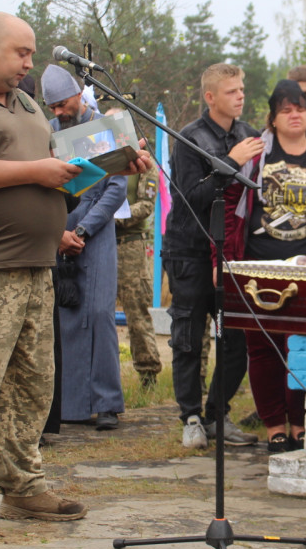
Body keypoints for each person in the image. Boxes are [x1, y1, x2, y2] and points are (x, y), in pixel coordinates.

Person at [0, 11, 147, 534]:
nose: (30, 65)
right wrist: (39, 171)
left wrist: (113, 161)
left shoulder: (22, 103)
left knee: (32, 384)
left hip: (35, 265)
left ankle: (22, 486)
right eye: (22, 53)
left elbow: (58, 173)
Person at [224, 80, 306, 452]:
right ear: (274, 117)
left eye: (300, 108)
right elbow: (232, 209)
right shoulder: (255, 154)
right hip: (261, 267)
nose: (294, 114)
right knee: (264, 348)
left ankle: (300, 422)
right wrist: (226, 261)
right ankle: (274, 425)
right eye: (286, 109)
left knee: (304, 345)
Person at [162, 63, 263, 448]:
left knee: (235, 338)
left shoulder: (249, 135)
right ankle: (190, 417)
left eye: (242, 88)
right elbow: (191, 198)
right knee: (188, 336)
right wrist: (232, 163)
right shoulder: (189, 138)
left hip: (233, 253)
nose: (240, 96)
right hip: (189, 251)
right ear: (210, 97)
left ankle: (219, 415)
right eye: (231, 90)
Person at [42, 65, 127, 431]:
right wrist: (58, 234)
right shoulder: (46, 133)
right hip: (57, 236)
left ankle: (107, 402)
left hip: (97, 235)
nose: (59, 112)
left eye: (63, 104)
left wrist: (84, 229)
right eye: (53, 107)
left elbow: (117, 187)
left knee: (99, 316)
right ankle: (70, 405)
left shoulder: (106, 130)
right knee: (66, 321)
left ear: (78, 94)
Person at [115, 152, 162, 389]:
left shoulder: (144, 166)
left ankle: (148, 376)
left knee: (136, 311)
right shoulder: (98, 162)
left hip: (129, 245)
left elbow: (145, 205)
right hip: (95, 244)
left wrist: (109, 217)